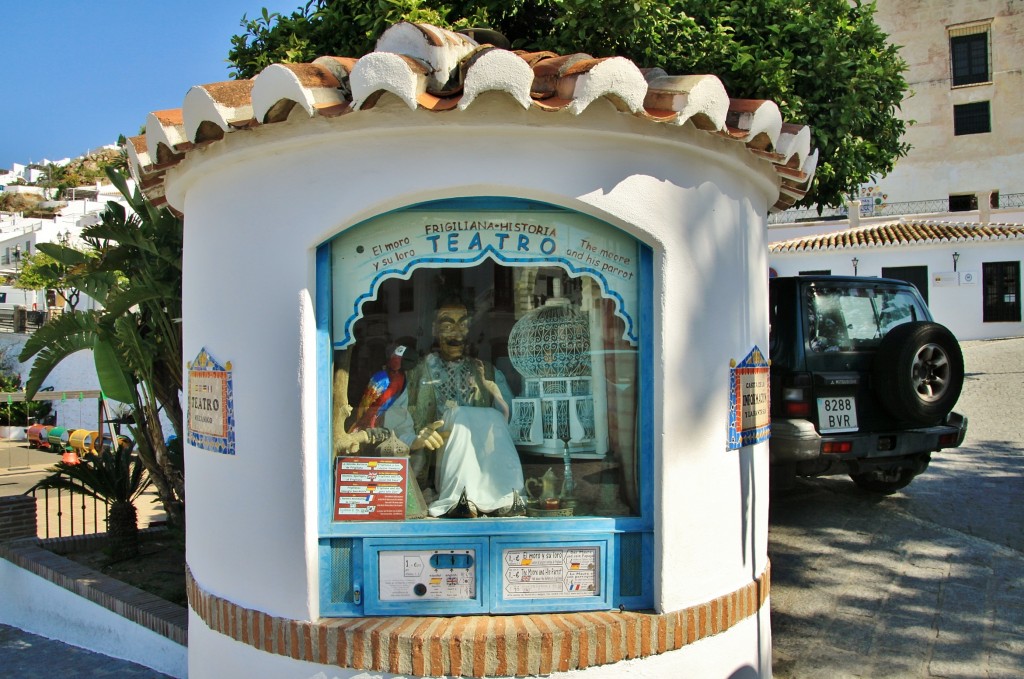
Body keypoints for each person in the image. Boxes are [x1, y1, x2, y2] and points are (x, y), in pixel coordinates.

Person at [384, 296, 525, 517]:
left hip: (487, 469)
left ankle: (504, 494)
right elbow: (395, 423)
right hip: (437, 467)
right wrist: (416, 440)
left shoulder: (487, 373)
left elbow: (514, 425)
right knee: (459, 415)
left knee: (479, 416)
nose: (456, 332)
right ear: (434, 329)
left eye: (463, 323)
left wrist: (494, 393)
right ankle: (459, 496)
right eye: (448, 324)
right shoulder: (415, 375)